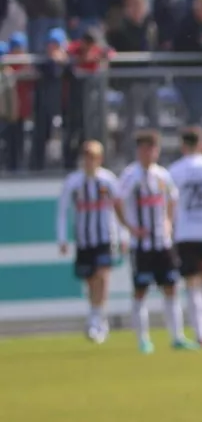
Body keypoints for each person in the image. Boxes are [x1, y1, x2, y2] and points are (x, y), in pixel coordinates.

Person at [114, 130, 199, 354]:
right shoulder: (130, 176)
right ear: (138, 151)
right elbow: (117, 202)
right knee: (141, 290)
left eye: (152, 148)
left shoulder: (162, 175)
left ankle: (177, 336)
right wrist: (130, 227)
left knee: (171, 287)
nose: (148, 153)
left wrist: (169, 223)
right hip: (141, 246)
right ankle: (143, 339)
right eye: (143, 148)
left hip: (163, 243)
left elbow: (172, 199)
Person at [56, 140, 123, 343]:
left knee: (102, 275)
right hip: (84, 239)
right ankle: (97, 315)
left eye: (92, 157)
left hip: (104, 237)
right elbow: (62, 211)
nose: (89, 161)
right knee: (90, 279)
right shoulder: (73, 182)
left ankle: (96, 320)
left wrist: (123, 235)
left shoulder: (108, 181)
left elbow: (119, 209)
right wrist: (62, 238)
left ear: (99, 159)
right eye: (86, 157)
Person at [167, 126, 202, 346]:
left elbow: (169, 204)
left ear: (182, 145)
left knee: (192, 283)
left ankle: (200, 333)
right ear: (201, 143)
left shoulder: (173, 171)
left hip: (185, 233)